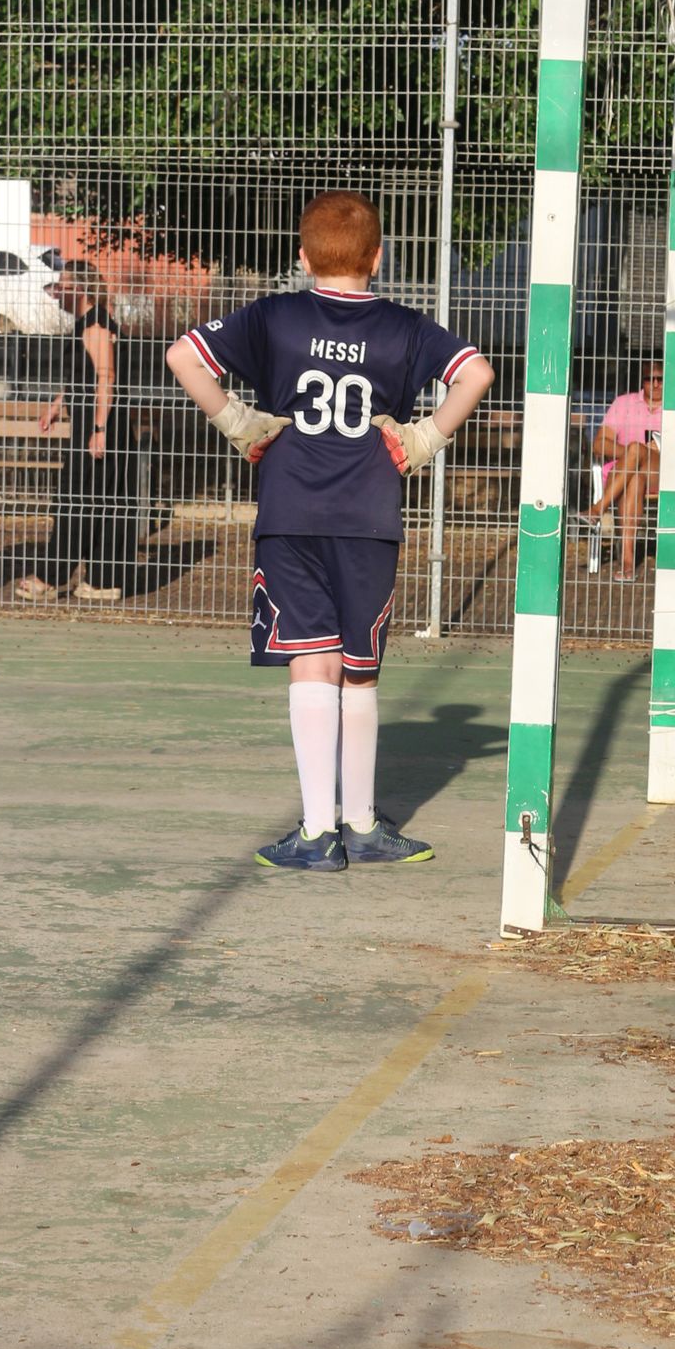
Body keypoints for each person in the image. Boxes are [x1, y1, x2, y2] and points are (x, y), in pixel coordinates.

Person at [166, 189, 493, 873]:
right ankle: (364, 825)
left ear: (302, 254)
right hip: (371, 516)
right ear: (377, 256)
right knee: (360, 670)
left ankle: (317, 834)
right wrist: (427, 436)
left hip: (292, 512)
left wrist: (236, 422)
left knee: (308, 659)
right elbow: (476, 373)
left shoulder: (275, 315)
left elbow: (182, 357)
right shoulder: (406, 327)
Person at [18, 261, 135, 603]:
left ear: (79, 288)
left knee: (78, 501)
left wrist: (99, 428)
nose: (57, 292)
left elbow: (105, 377)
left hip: (99, 427)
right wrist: (57, 404)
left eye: (63, 284)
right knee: (93, 500)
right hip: (90, 425)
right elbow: (83, 377)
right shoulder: (88, 323)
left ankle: (52, 578)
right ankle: (101, 580)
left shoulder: (96, 324)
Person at [590, 361, 663, 580]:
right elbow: (599, 444)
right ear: (643, 381)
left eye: (661, 379)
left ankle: (598, 509)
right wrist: (633, 454)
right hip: (624, 475)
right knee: (634, 475)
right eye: (651, 379)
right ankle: (628, 562)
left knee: (636, 455)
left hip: (661, 470)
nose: (657, 384)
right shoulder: (624, 403)